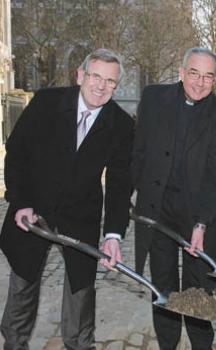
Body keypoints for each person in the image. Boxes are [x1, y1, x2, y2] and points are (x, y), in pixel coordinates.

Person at [0, 48, 134, 349]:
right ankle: (14, 343)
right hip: (32, 209)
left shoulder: (121, 125)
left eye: (110, 81)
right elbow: (17, 152)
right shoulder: (47, 103)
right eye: (95, 76)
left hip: (80, 215)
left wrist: (113, 234)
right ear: (80, 75)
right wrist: (20, 202)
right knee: (22, 284)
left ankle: (79, 344)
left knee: (81, 292)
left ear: (116, 86)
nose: (100, 86)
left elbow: (119, 183)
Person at [131, 47, 216, 350]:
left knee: (197, 289)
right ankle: (167, 344)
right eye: (194, 73)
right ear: (181, 72)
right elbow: (137, 152)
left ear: (215, 80)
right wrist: (134, 195)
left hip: (198, 214)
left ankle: (201, 345)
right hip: (158, 210)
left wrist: (201, 224)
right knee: (162, 286)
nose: (200, 82)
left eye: (208, 76)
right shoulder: (153, 98)